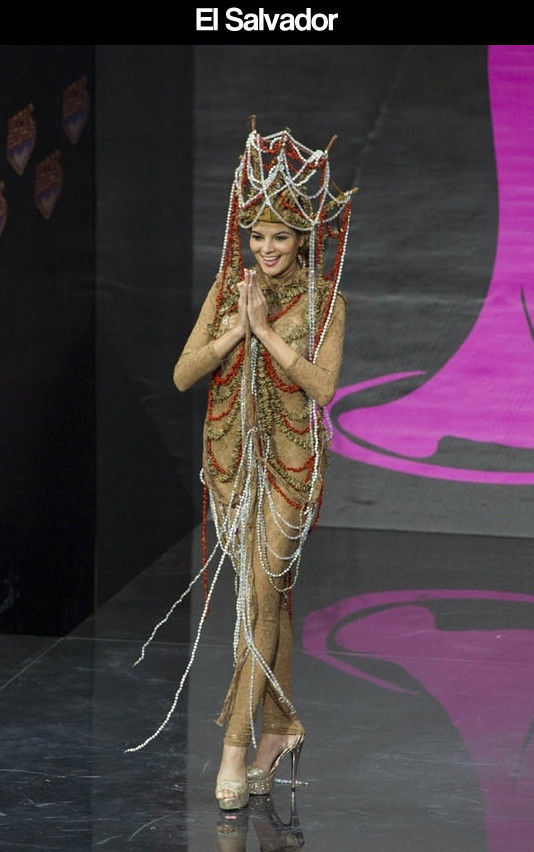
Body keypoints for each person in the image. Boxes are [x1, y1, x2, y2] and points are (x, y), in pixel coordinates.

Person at [125, 121, 355, 812]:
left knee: (258, 597)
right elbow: (181, 374)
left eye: (279, 238)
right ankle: (281, 730)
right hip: (228, 458)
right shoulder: (230, 288)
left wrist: (265, 336)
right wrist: (235, 328)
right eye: (256, 237)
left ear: (301, 240)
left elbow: (321, 387)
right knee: (268, 601)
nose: (266, 249)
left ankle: (233, 744)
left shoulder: (325, 301)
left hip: (289, 462)